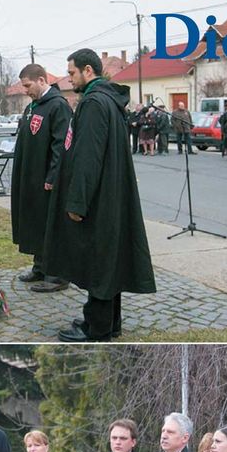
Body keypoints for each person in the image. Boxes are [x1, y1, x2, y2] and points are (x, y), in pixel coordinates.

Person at [50, 49, 156, 342]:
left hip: (99, 198)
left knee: (99, 261)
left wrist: (77, 201)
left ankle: (95, 327)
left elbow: (88, 156)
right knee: (110, 261)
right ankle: (110, 322)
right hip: (111, 192)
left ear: (87, 70)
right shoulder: (108, 100)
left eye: (72, 73)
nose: (69, 79)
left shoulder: (95, 103)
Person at [10, 63, 72, 291]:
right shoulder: (33, 107)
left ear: (41, 80)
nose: (25, 90)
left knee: (51, 226)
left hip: (47, 179)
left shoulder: (57, 106)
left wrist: (53, 176)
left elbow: (61, 145)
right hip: (31, 177)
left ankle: (57, 275)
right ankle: (40, 266)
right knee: (36, 223)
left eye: (28, 85)